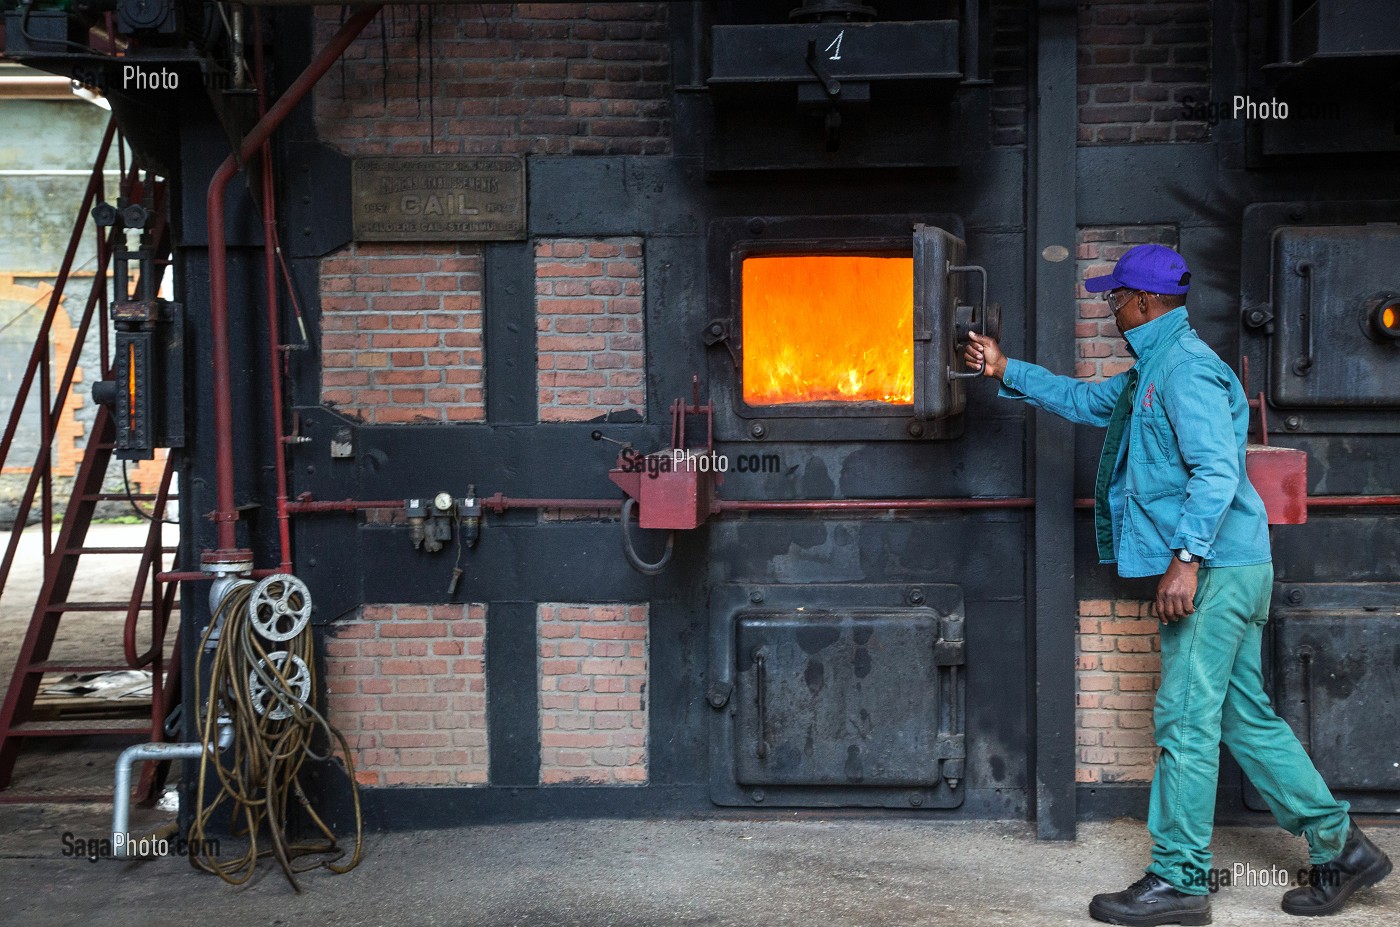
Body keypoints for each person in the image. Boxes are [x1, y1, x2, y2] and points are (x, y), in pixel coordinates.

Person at [962, 244, 1391, 925]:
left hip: (1215, 568)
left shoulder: (1184, 371)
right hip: (1237, 565)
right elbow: (1083, 399)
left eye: (1114, 296)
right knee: (1243, 716)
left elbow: (1217, 472)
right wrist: (1005, 368)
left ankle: (1180, 879)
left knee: (1186, 718)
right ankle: (1343, 845)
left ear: (1143, 302)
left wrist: (1186, 559)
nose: (1108, 306)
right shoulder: (1150, 372)